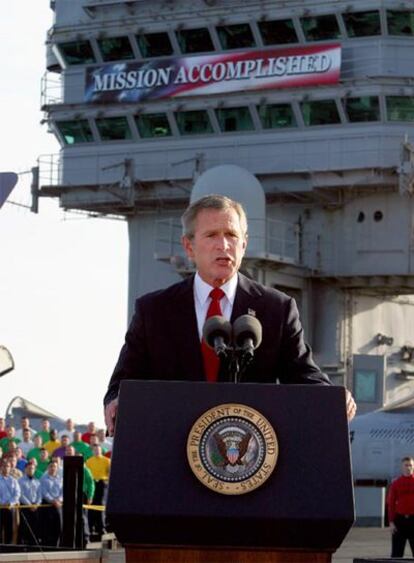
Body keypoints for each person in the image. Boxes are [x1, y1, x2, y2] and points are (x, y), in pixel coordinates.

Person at [104, 194, 356, 433]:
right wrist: (115, 401)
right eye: (212, 235)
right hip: (174, 448)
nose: (223, 245)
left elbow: (303, 374)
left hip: (251, 454)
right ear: (189, 247)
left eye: (231, 235)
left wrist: (333, 398)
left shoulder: (276, 309)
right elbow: (124, 381)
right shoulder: (154, 311)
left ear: (244, 244)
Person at [387, 456, 414, 557]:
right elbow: (391, 504)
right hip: (400, 521)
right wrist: (391, 522)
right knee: (396, 553)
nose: (408, 467)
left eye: (410, 465)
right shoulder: (396, 484)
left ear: (413, 467)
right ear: (402, 467)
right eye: (406, 465)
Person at [86, 444, 111, 539]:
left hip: (102, 484)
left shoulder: (107, 461)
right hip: (92, 484)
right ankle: (91, 527)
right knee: (91, 505)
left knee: (100, 505)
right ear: (92, 451)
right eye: (95, 450)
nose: (96, 451)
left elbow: (110, 473)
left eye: (98, 450)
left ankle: (102, 527)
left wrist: (106, 480)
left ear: (101, 450)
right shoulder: (88, 461)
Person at [18, 461, 42, 545]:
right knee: (25, 527)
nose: (30, 470)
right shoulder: (20, 481)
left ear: (35, 470)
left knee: (35, 526)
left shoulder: (37, 481)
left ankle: (33, 544)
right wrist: (29, 505)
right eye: (29, 468)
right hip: (25, 507)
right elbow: (21, 495)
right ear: (25, 469)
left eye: (32, 468)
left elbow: (40, 494)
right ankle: (24, 544)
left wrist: (37, 504)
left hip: (35, 507)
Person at [40, 460, 63, 546]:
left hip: (58, 505)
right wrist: (53, 500)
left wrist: (59, 500)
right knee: (48, 527)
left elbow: (63, 492)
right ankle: (47, 545)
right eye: (51, 466)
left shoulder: (60, 478)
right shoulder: (43, 478)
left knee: (59, 526)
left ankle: (57, 544)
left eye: (54, 467)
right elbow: (44, 492)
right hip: (48, 505)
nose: (53, 468)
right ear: (47, 468)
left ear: (57, 468)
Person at [0, 458, 21, 544]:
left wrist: (11, 503)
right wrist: (2, 503)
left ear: (10, 468)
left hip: (10, 508)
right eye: (4, 466)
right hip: (0, 507)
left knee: (9, 528)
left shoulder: (14, 480)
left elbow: (17, 493)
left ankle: (8, 547)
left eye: (8, 466)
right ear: (1, 467)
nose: (6, 468)